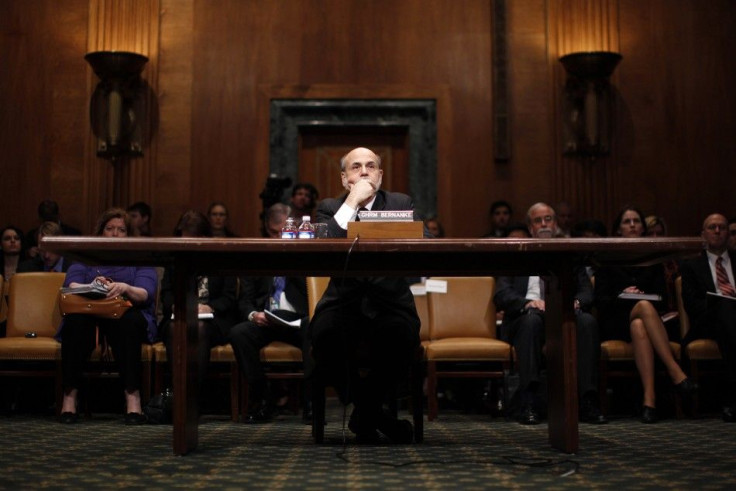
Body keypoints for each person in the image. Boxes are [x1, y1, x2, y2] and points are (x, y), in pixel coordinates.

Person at [309, 147, 424, 443]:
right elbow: (323, 247)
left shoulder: (399, 202)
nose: (364, 171)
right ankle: (376, 415)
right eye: (356, 167)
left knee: (401, 336)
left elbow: (422, 240)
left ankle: (364, 413)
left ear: (380, 175)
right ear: (344, 177)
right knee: (323, 335)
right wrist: (352, 201)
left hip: (390, 304)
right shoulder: (329, 206)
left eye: (371, 166)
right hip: (344, 304)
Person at [494, 203, 606, 425]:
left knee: (586, 321)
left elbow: (586, 291)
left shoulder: (569, 255)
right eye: (538, 221)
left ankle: (587, 400)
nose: (544, 224)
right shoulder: (517, 254)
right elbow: (502, 294)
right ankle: (529, 400)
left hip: (563, 315)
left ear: (555, 224)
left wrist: (575, 302)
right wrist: (528, 302)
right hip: (527, 318)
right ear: (530, 227)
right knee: (531, 321)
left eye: (548, 219)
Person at [595, 206, 696, 423]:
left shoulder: (653, 258)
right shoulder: (606, 257)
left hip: (646, 320)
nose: (632, 225)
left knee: (639, 323)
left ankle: (649, 401)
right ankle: (675, 372)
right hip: (615, 319)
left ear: (642, 228)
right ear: (618, 229)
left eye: (636, 221)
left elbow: (660, 296)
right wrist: (623, 294)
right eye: (626, 221)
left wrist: (641, 294)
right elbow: (601, 300)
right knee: (641, 307)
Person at [59, 208, 158, 425]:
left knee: (129, 322)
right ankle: (69, 397)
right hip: (89, 310)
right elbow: (70, 285)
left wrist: (123, 287)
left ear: (129, 235)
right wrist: (94, 286)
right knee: (75, 323)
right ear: (101, 232)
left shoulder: (140, 257)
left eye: (121, 230)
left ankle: (133, 398)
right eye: (109, 229)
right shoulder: (86, 255)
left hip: (126, 312)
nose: (114, 234)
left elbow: (145, 293)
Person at [230, 203, 311, 423]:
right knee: (239, 333)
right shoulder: (256, 257)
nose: (279, 237)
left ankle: (312, 402)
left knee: (315, 328)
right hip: (265, 319)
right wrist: (253, 315)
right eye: (274, 232)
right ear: (266, 229)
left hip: (298, 321)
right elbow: (245, 301)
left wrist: (290, 259)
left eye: (284, 232)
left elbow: (314, 297)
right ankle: (261, 399)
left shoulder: (308, 254)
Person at [157, 210, 239, 400]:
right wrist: (184, 306)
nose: (186, 245)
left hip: (214, 320)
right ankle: (177, 395)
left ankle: (191, 398)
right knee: (173, 328)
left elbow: (229, 297)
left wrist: (210, 307)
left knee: (199, 328)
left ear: (203, 237)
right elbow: (167, 296)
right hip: (180, 315)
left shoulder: (221, 257)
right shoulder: (174, 260)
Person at [680, 213, 736, 422]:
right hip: (705, 322)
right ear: (703, 234)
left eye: (722, 227)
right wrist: (721, 304)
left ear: (729, 234)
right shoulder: (691, 265)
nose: (717, 231)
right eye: (712, 227)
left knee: (730, 316)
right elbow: (692, 304)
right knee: (726, 310)